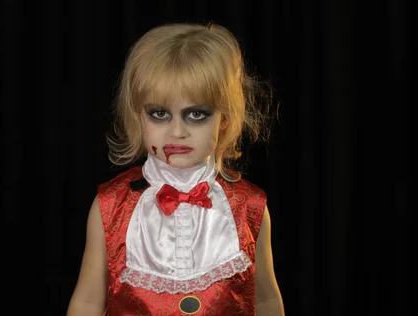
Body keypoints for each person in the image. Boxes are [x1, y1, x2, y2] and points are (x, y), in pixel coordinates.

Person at [67, 22, 284, 316]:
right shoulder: (111, 205)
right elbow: (88, 302)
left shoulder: (250, 206)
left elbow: (266, 300)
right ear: (138, 116)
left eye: (196, 114)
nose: (177, 132)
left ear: (224, 119)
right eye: (160, 113)